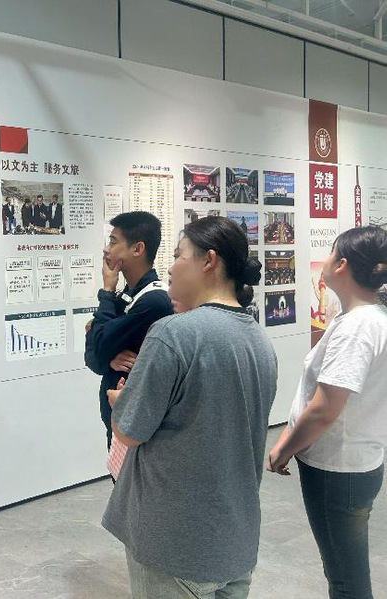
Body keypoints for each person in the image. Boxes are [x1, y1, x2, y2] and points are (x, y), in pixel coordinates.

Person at [102, 216, 276, 598]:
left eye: (179, 255)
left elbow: (128, 430)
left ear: (208, 261)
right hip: (235, 540)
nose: (170, 266)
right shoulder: (259, 341)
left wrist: (121, 401)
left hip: (175, 544)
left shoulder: (173, 334)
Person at [268, 226, 387, 599]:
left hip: (338, 469)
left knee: (346, 579)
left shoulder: (358, 327)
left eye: (331, 252)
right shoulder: (365, 317)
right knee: (344, 570)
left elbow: (325, 408)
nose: (326, 260)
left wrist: (283, 448)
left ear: (342, 265)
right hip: (353, 462)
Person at [84, 212, 173, 450]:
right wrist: (109, 360)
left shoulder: (154, 301)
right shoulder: (127, 295)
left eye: (113, 242)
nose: (106, 249)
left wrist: (106, 291)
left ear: (137, 249)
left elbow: (98, 343)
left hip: (139, 428)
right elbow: (92, 356)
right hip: (119, 422)